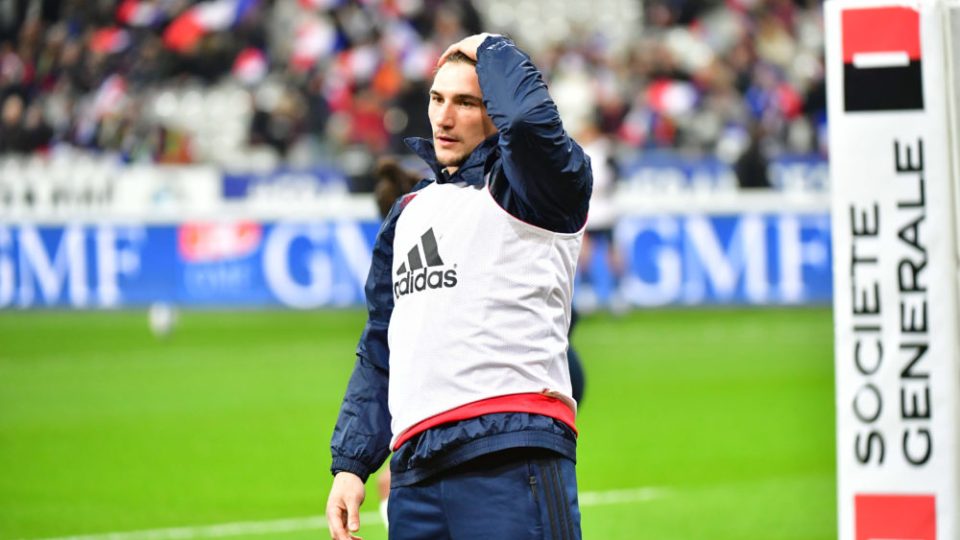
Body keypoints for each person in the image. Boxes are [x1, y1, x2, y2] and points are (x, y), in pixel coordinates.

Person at [326, 33, 592, 540]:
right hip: (416, 474)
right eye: (436, 99)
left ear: (493, 109)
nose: (444, 118)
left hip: (510, 454)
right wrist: (352, 464)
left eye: (466, 102)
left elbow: (527, 122)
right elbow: (381, 346)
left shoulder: (533, 189)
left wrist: (489, 46)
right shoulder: (408, 213)